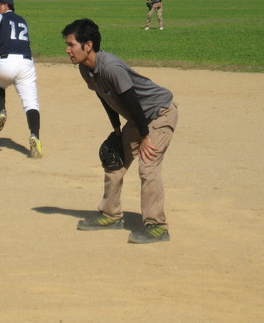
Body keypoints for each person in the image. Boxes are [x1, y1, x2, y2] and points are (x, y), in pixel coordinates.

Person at [61, 19, 178, 244]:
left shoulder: (111, 67)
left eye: (71, 44)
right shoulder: (86, 68)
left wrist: (145, 137)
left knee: (148, 166)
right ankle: (110, 215)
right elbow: (104, 96)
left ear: (88, 45)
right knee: (114, 160)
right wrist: (116, 129)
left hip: (159, 113)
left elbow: (131, 100)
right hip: (138, 118)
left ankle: (157, 226)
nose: (67, 50)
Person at [0, 0, 42, 158]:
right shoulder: (22, 20)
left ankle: (1, 111)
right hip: (26, 64)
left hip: (6, 63)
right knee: (31, 103)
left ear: (5, 6)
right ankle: (35, 137)